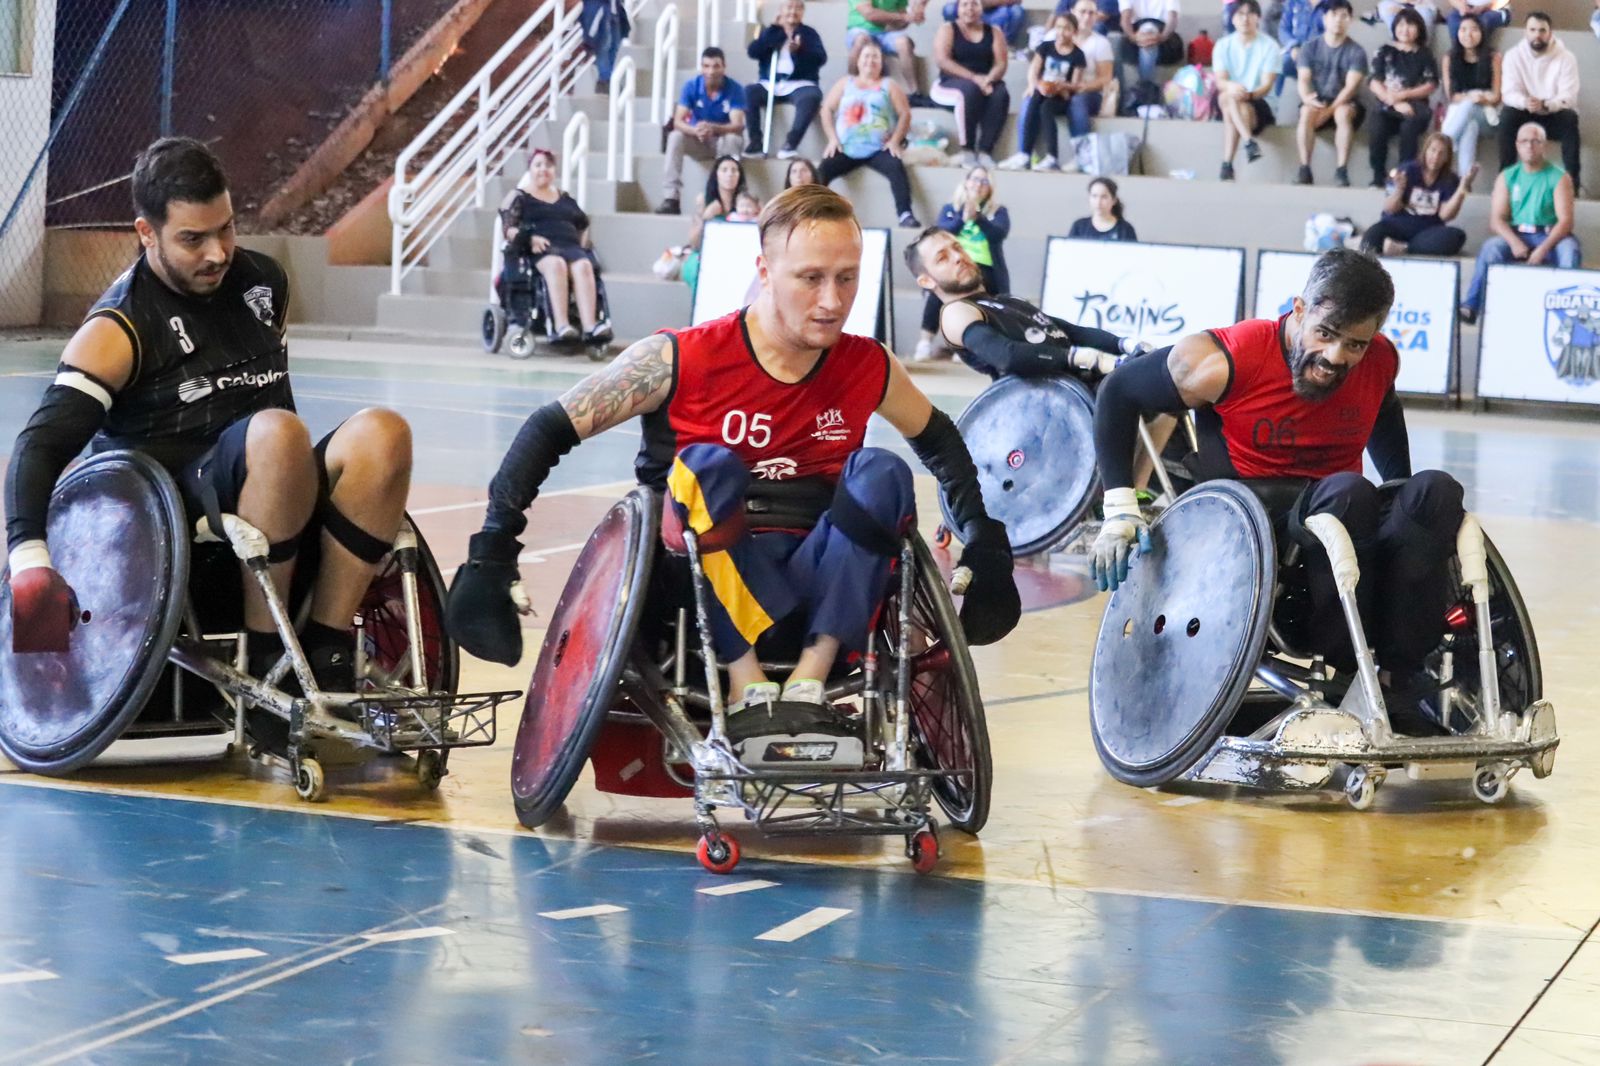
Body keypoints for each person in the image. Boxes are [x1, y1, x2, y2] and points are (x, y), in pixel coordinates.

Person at [445, 185, 1020, 745]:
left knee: (883, 472)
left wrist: (986, 540)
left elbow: (940, 441)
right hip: (696, 589)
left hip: (824, 584)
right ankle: (746, 681)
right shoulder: (679, 357)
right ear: (765, 271)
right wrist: (494, 549)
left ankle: (808, 682)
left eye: (847, 278)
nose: (832, 300)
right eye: (811, 278)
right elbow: (550, 427)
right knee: (705, 465)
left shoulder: (869, 363)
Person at [4, 138, 413, 707]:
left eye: (225, 229)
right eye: (193, 240)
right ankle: (266, 653)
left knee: (383, 433)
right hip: (179, 506)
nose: (217, 253)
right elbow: (39, 445)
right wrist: (28, 559)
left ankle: (327, 646)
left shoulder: (264, 282)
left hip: (277, 484)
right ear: (147, 234)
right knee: (278, 432)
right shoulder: (116, 330)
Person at [1090, 248, 1465, 734]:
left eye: (1355, 344)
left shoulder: (1379, 361)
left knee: (1434, 490)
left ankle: (1399, 674)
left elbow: (1384, 409)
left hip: (1347, 513)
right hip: (1255, 523)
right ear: (1300, 309)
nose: (1335, 357)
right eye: (1325, 335)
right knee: (1348, 493)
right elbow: (1119, 393)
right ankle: (1346, 658)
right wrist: (1120, 507)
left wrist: (1400, 482)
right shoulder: (1228, 357)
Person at [907, 226, 1141, 379]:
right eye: (943, 258)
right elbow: (1006, 357)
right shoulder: (956, 312)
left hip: (1086, 381)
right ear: (926, 280)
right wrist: (1085, 358)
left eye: (957, 247)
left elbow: (1071, 331)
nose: (958, 257)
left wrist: (1126, 345)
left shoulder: (1007, 301)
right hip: (1055, 399)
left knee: (1166, 373)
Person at [1460, 121, 1582, 323]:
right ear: (1517, 145)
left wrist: (1543, 249)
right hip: (1517, 234)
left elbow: (1566, 222)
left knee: (1569, 250)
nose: (1529, 146)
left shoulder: (1560, 177)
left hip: (1551, 235)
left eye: (1535, 141)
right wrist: (1514, 242)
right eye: (1524, 141)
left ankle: (1569, 313)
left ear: (1545, 145)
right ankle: (1471, 307)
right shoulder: (1507, 176)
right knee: (1492, 247)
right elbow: (1497, 219)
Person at [499, 150, 612, 345]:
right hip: (539, 250)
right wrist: (529, 240)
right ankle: (561, 326)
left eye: (548, 165)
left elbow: (583, 223)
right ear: (530, 169)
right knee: (557, 265)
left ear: (554, 171)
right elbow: (508, 227)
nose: (543, 169)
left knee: (584, 266)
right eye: (538, 165)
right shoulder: (520, 196)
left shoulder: (564, 197)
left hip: (570, 247)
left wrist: (582, 245)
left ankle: (590, 327)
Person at [818, 39, 922, 228]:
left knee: (896, 167)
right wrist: (832, 139)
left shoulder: (889, 85)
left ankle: (905, 214)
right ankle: (811, 212)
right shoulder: (845, 83)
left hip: (878, 148)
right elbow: (826, 109)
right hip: (846, 147)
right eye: (866, 56)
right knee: (823, 170)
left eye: (875, 57)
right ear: (858, 61)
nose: (870, 60)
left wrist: (896, 141)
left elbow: (905, 113)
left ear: (882, 62)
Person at [915, 166, 1012, 361]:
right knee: (939, 287)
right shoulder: (950, 209)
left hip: (985, 268)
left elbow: (998, 234)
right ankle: (925, 341)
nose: (978, 185)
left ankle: (967, 345)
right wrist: (963, 219)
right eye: (975, 179)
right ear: (966, 182)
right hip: (953, 264)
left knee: (974, 291)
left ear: (990, 188)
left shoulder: (998, 211)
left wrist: (978, 218)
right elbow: (940, 233)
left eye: (984, 181)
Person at [657, 47, 747, 216]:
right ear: (701, 67)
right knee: (675, 136)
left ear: (724, 67)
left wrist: (713, 128)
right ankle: (671, 198)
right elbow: (678, 121)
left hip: (722, 140)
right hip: (698, 139)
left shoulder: (735, 89)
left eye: (716, 66)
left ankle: (728, 197)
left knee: (732, 139)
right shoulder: (691, 86)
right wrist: (695, 130)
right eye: (706, 66)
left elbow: (738, 125)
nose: (711, 71)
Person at [1497, 13, 1580, 193]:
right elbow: (1508, 93)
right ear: (1525, 33)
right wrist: (1525, 102)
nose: (1537, 35)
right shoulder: (1513, 55)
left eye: (1542, 30)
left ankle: (1572, 185)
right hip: (1524, 112)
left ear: (1550, 33)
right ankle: (1505, 182)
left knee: (1570, 118)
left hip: (1553, 112)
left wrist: (1547, 104)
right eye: (1532, 30)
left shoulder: (1566, 57)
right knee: (1507, 115)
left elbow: (1569, 95)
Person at [1360, 132, 1475, 256]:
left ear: (1447, 157)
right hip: (1396, 225)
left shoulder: (1449, 179)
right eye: (1433, 150)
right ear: (1425, 151)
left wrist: (1461, 189)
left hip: (1427, 231)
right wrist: (1399, 189)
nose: (1436, 157)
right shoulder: (1407, 170)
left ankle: (1405, 248)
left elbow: (1445, 216)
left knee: (1456, 236)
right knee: (1372, 236)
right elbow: (1389, 208)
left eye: (1441, 153)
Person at [1293, 0, 1367, 187]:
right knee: (1306, 111)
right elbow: (1303, 79)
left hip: (1345, 101)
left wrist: (1328, 112)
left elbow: (1350, 88)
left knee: (1342, 112)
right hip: (1319, 98)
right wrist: (1306, 98)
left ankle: (1341, 170)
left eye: (1344, 16)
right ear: (1325, 18)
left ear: (1350, 20)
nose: (1338, 20)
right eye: (1333, 15)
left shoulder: (1357, 51)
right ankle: (1304, 169)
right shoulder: (1309, 47)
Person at [1001, 13, 1086, 171]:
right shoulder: (1046, 47)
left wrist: (1062, 86)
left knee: (1046, 108)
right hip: (1042, 89)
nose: (1062, 32)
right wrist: (1035, 84)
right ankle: (1024, 153)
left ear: (1074, 32)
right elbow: (1034, 70)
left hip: (1061, 96)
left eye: (1067, 28)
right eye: (1059, 27)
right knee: (1034, 98)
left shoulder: (1078, 55)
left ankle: (1052, 156)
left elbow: (1075, 84)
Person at [931, 0, 1012, 168]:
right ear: (958, 9)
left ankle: (985, 151)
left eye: (974, 4)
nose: (970, 9)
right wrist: (974, 78)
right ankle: (966, 149)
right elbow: (942, 60)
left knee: (1001, 93)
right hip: (951, 81)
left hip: (984, 80)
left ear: (981, 8)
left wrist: (989, 79)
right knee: (970, 90)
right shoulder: (948, 29)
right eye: (965, 4)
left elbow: (1001, 64)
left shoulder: (994, 31)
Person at [745, 0, 828, 159]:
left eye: (798, 8)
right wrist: (773, 30)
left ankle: (790, 143)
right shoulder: (771, 31)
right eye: (789, 7)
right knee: (749, 92)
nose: (793, 11)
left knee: (811, 96)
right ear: (781, 11)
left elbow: (820, 58)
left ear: (803, 12)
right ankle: (755, 142)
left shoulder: (809, 33)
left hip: (800, 83)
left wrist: (799, 51)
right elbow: (753, 52)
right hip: (770, 82)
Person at [1367, 8, 1439, 186]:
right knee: (1376, 124)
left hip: (1417, 106)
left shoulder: (1424, 54)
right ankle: (1378, 175)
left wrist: (1402, 96)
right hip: (1387, 104)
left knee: (1410, 125)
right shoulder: (1384, 51)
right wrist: (1393, 101)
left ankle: (1404, 175)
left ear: (1419, 29)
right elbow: (1374, 81)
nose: (1404, 29)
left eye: (1410, 25)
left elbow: (1430, 84)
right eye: (1400, 25)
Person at [1213, 0, 1284, 181]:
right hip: (1231, 98)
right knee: (1228, 96)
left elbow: (1267, 86)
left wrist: (1249, 94)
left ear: (1258, 18)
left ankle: (1227, 163)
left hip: (1260, 101)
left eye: (1250, 14)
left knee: (1233, 103)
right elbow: (1221, 81)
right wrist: (1232, 87)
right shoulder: (1222, 45)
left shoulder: (1270, 46)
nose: (1245, 19)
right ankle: (1247, 142)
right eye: (1240, 14)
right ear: (1232, 19)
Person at [1440, 14, 1501, 176]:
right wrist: (1471, 99)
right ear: (1457, 33)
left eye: (1474, 30)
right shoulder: (1449, 57)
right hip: (1465, 114)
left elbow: (1496, 97)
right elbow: (1451, 96)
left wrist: (1478, 99)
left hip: (1488, 117)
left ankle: (1443, 144)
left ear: (1482, 33)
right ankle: (1464, 181)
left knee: (1469, 106)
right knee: (1469, 127)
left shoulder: (1493, 57)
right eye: (1463, 29)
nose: (1468, 34)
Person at [683, 155, 750, 291]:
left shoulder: (747, 203)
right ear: (716, 175)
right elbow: (694, 243)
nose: (729, 174)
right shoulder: (703, 200)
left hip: (735, 256)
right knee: (698, 270)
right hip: (705, 254)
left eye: (734, 170)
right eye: (724, 170)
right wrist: (706, 218)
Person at [847, 0, 930, 99]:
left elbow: (900, 24)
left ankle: (915, 92)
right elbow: (869, 14)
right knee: (861, 40)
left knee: (903, 42)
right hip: (861, 30)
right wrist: (903, 17)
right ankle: (851, 87)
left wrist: (912, 16)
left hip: (886, 33)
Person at [1118, 0, 1184, 113]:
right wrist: (1135, 37)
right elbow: (1125, 19)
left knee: (1149, 32)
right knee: (1147, 32)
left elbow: (1172, 19)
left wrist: (1160, 37)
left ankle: (1143, 88)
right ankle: (1147, 89)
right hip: (1135, 35)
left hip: (1164, 36)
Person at [580, 0, 631, 94]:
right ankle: (604, 79)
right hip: (601, 9)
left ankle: (609, 77)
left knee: (614, 45)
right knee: (603, 46)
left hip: (614, 10)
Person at [1069, 176, 1139, 240]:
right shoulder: (1079, 226)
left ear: (1114, 200)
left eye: (1104, 197)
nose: (1098, 202)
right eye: (1094, 196)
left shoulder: (1125, 229)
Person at [1445, 0, 1512, 40]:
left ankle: (1480, 56)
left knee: (1483, 22)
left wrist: (1485, 7)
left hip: (1495, 10)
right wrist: (1461, 6)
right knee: (1453, 21)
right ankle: (1458, 56)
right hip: (1465, 8)